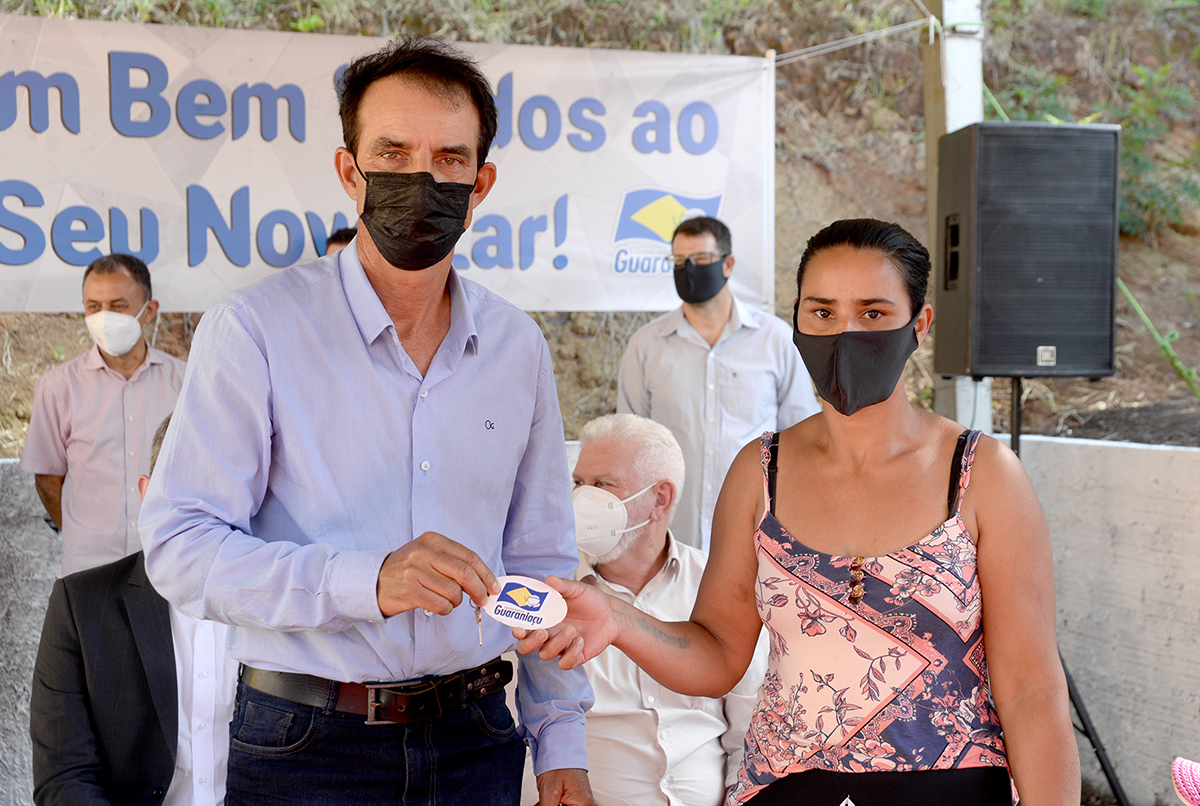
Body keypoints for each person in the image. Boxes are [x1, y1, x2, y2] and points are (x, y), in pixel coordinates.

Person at [138, 38, 594, 806]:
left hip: (476, 736)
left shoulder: (517, 346)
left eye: (450, 158)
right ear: (351, 171)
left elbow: (539, 557)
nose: (422, 177)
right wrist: (367, 580)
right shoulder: (256, 330)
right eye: (393, 151)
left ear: (480, 184)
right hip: (307, 743)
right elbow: (180, 545)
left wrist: (560, 741)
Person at [521, 219, 1081, 805]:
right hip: (788, 790)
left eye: (872, 313)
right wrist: (618, 619)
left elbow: (1031, 690)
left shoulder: (981, 474)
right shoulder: (760, 473)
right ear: (797, 322)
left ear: (919, 324)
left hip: (951, 790)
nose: (844, 332)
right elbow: (718, 654)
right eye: (822, 312)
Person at [551, 413, 767, 806]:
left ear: (660, 499)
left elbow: (749, 734)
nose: (582, 499)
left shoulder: (719, 587)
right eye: (578, 483)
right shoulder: (554, 595)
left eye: (603, 485)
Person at [30, 414, 238, 806]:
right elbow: (64, 777)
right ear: (147, 495)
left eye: (223, 487)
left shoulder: (289, 609)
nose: (206, 509)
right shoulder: (80, 607)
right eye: (183, 487)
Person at [617, 216, 819, 552]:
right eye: (679, 261)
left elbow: (802, 436)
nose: (688, 269)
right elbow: (630, 444)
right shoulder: (646, 345)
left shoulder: (776, 340)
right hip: (668, 538)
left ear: (727, 264)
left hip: (756, 533)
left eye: (700, 260)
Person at [20, 253, 186, 576]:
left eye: (119, 305)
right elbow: (47, 479)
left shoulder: (186, 381)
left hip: (166, 561)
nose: (104, 316)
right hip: (88, 568)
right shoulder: (57, 387)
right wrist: (82, 535)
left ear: (149, 311)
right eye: (94, 306)